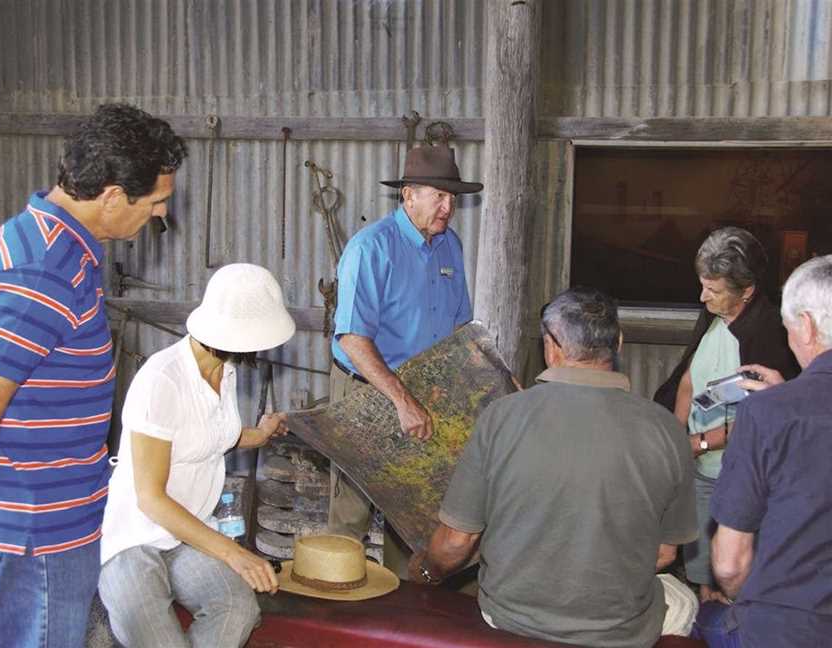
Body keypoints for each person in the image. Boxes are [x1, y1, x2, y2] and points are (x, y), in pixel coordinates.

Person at [0, 103, 186, 648]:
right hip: (34, 529)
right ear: (113, 195)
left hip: (49, 519)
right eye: (156, 201)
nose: (159, 215)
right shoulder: (46, 269)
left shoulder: (48, 240)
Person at [410, 287, 698, 647]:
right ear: (619, 343)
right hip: (617, 629)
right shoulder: (666, 428)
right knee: (684, 600)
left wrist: (426, 571)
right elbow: (664, 554)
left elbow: (456, 542)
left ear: (551, 346)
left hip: (510, 617)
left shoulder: (501, 417)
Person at [98, 263, 296, 648]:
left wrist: (262, 434)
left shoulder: (227, 369)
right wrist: (234, 555)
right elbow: (151, 500)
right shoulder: (163, 380)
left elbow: (212, 436)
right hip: (135, 539)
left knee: (238, 609)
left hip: (187, 537)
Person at [328, 144, 482, 546]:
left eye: (452, 198)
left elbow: (461, 327)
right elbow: (352, 338)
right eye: (439, 196)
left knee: (415, 504)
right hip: (366, 384)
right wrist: (401, 399)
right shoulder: (370, 248)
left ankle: (410, 603)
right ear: (408, 194)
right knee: (353, 507)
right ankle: (338, 601)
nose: (448, 207)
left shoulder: (451, 246)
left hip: (425, 387)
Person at [692, 255, 832, 647]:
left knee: (696, 617)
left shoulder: (766, 413)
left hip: (787, 629)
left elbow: (729, 564)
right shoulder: (779, 407)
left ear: (805, 326)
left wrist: (779, 403)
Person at [653, 227, 798, 603]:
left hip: (737, 476)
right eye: (703, 285)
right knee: (703, 576)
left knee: (734, 580)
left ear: (746, 290)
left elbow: (759, 419)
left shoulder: (768, 334)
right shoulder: (716, 315)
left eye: (713, 289)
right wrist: (675, 435)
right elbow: (688, 377)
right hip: (701, 468)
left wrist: (695, 444)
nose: (703, 297)